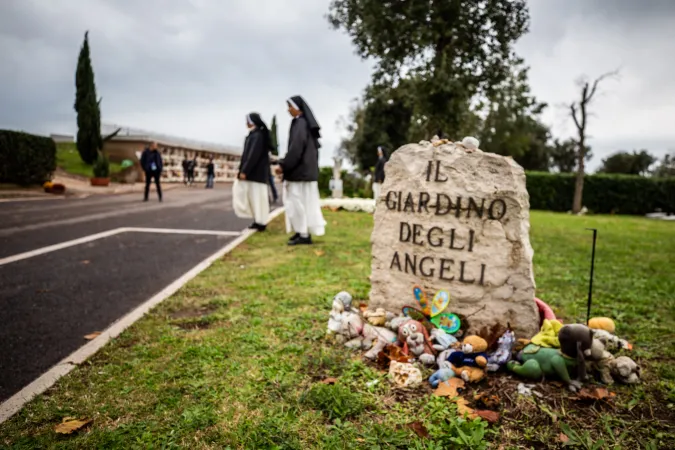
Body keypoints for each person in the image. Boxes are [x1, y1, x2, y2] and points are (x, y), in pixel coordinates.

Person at [276, 96, 326, 246]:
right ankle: (301, 231)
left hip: (300, 173)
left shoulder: (300, 124)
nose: (288, 110)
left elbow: (295, 149)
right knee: (301, 203)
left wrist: (284, 165)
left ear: (297, 107)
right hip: (304, 172)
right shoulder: (304, 124)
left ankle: (303, 234)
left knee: (297, 203)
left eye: (290, 106)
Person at [233, 113, 272, 231]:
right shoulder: (254, 135)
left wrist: (244, 170)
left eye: (247, 120)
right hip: (254, 173)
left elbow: (252, 155)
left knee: (258, 198)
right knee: (254, 198)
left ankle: (261, 221)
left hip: (256, 173)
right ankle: (258, 220)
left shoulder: (257, 136)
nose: (246, 123)